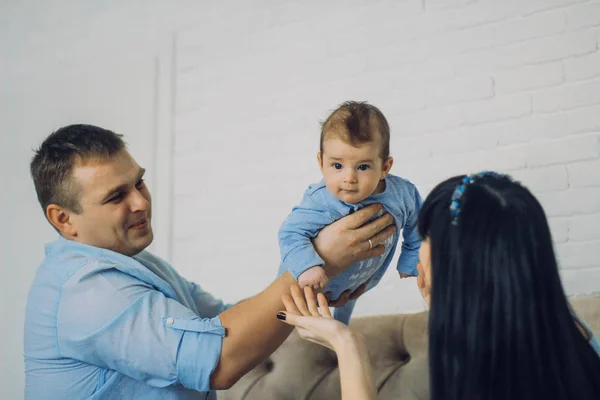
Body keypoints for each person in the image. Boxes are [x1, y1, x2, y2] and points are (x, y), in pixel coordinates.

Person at [23, 124, 397, 400]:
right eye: (115, 196)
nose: (140, 202)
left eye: (138, 183)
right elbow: (220, 360)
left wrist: (320, 285)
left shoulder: (139, 265)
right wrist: (320, 259)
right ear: (63, 219)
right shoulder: (86, 290)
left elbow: (231, 319)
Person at [278, 171, 600, 400]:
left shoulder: (498, 372)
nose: (420, 248)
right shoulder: (573, 339)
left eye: (426, 235)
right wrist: (446, 307)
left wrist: (346, 345)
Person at [278, 101, 422, 324]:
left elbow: (417, 223)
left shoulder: (402, 194)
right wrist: (307, 267)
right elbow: (290, 233)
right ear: (321, 162)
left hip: (356, 282)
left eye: (363, 167)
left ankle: (340, 332)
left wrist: (411, 259)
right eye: (337, 166)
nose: (349, 178)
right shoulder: (321, 201)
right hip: (309, 282)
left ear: (385, 167)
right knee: (296, 319)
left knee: (344, 312)